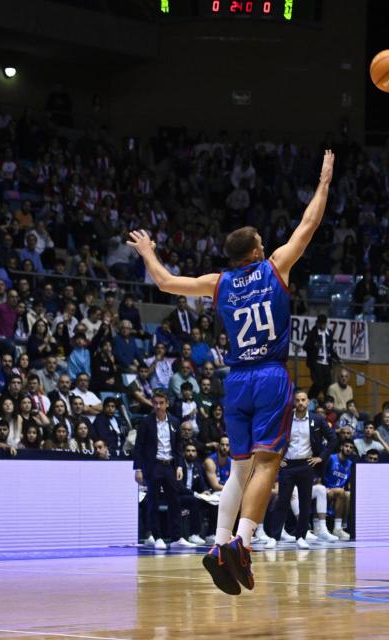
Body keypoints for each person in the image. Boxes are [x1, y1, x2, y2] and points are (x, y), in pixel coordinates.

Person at [128, 149, 334, 595]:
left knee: (239, 469)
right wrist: (323, 182)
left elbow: (164, 283)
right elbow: (309, 224)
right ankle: (242, 543)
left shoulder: (219, 283)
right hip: (270, 377)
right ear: (257, 250)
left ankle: (218, 543)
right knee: (268, 465)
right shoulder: (276, 266)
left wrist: (147, 250)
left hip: (234, 378)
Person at [270, 389, 339, 549]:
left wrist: (321, 457)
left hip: (307, 465)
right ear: (293, 403)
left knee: (305, 502)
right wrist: (277, 458)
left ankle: (300, 536)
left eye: (303, 400)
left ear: (308, 402)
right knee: (282, 501)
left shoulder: (317, 419)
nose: (300, 403)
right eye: (297, 400)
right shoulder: (286, 420)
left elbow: (333, 439)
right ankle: (274, 536)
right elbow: (273, 439)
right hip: (288, 465)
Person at [132, 389, 196, 550]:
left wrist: (180, 465)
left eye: (161, 403)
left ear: (167, 404)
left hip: (170, 465)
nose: (158, 406)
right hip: (154, 465)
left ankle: (177, 537)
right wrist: (138, 468)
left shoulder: (174, 421)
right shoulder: (146, 422)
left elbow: (178, 447)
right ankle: (157, 536)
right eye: (155, 403)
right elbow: (138, 447)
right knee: (153, 501)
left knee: (174, 501)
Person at [323, 440, 355, 540]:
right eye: (346, 446)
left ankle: (342, 527)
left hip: (339, 492)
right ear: (341, 447)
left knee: (349, 494)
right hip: (326, 490)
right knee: (341, 492)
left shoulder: (350, 464)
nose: (348, 449)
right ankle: (336, 528)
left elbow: (349, 484)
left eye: (351, 447)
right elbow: (320, 474)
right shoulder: (331, 458)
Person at [303, 314, 339, 400]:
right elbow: (305, 346)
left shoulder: (329, 333)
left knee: (327, 385)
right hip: (316, 363)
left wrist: (337, 358)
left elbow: (331, 348)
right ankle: (310, 398)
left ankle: (326, 403)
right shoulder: (312, 333)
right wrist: (314, 345)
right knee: (318, 383)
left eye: (324, 324)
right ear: (317, 323)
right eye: (321, 324)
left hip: (326, 363)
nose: (322, 326)